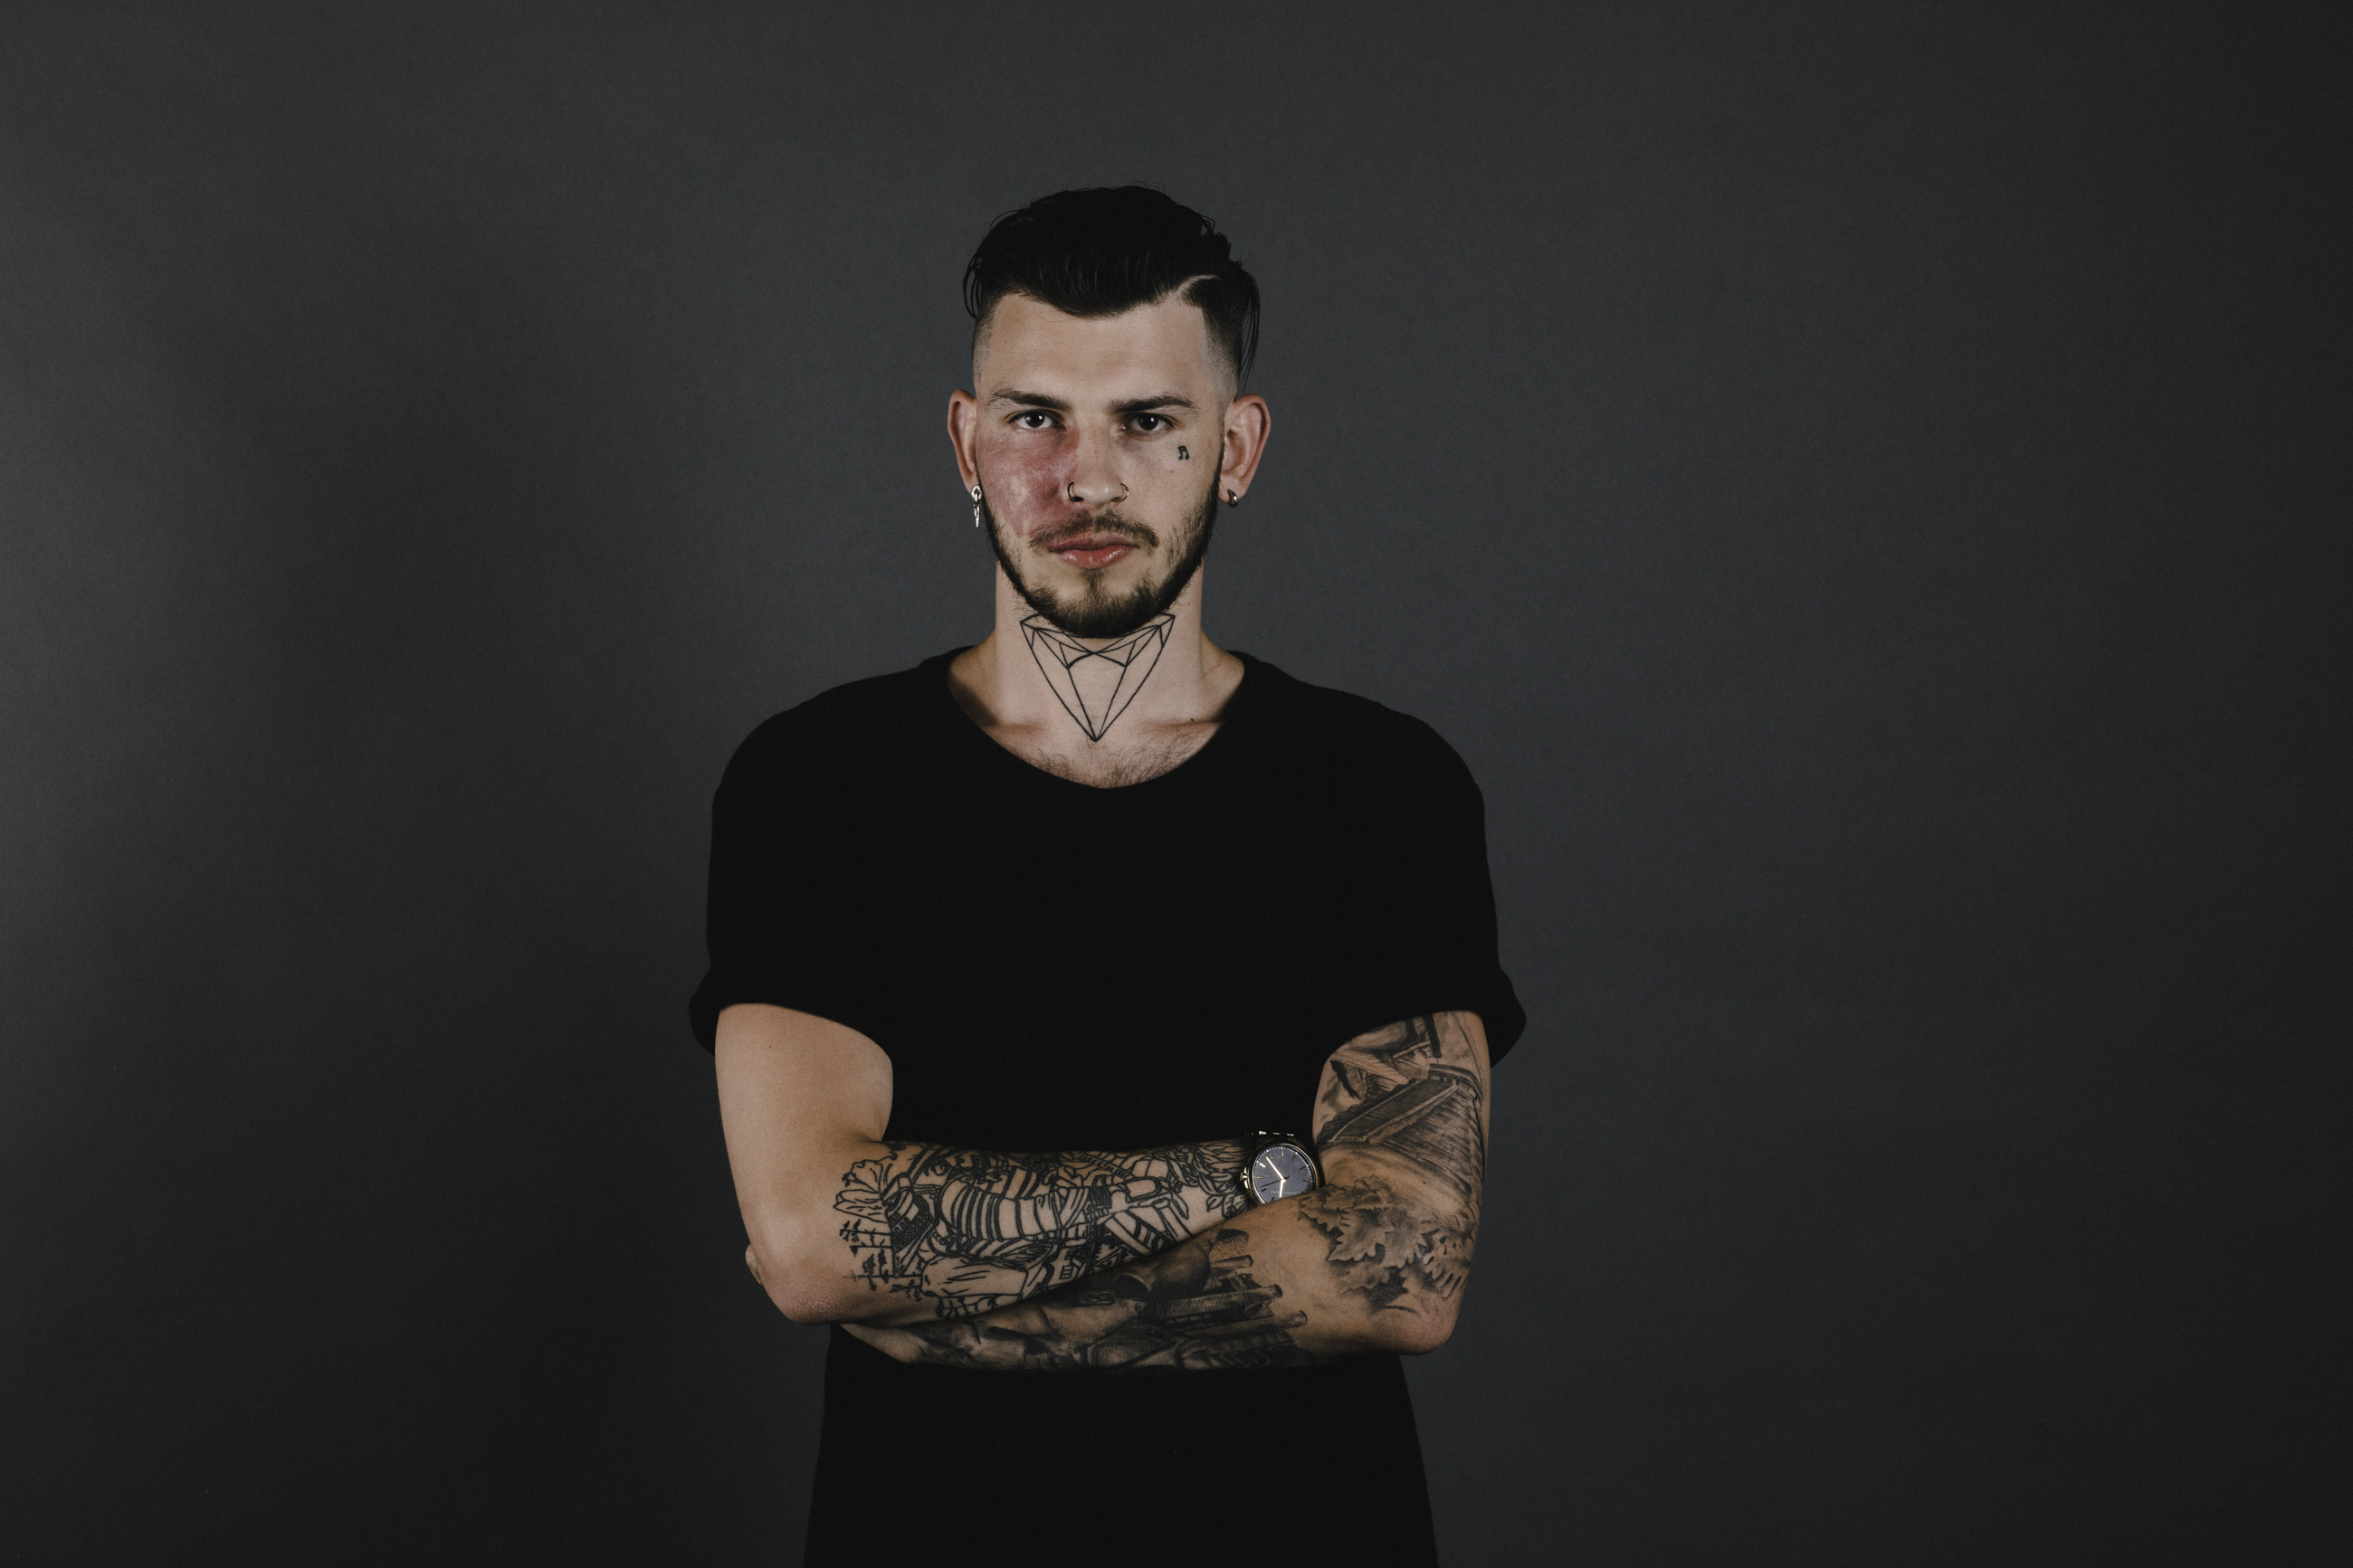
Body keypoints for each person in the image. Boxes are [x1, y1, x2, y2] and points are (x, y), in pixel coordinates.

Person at [691, 185, 1524, 1565]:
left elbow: (1403, 1267)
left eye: (1147, 421)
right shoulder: (819, 785)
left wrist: (940, 1300)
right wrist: (1264, 1171)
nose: (1085, 480)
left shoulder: (1380, 790)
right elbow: (811, 1244)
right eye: (1036, 418)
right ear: (966, 443)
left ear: (1234, 448)